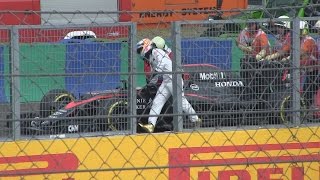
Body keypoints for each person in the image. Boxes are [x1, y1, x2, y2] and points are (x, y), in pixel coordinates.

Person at [136, 38, 201, 133]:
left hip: (174, 78)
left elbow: (162, 64)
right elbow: (155, 73)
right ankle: (151, 125)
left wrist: (155, 73)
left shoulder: (156, 51)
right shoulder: (150, 57)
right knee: (157, 102)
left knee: (181, 101)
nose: (139, 52)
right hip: (167, 80)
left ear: (146, 46)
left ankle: (195, 119)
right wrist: (150, 83)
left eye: (140, 49)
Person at [299, 21, 320, 107]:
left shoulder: (310, 41)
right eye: (318, 30)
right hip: (314, 69)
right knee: (308, 90)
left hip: (315, 70)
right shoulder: (318, 40)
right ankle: (307, 109)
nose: (318, 32)